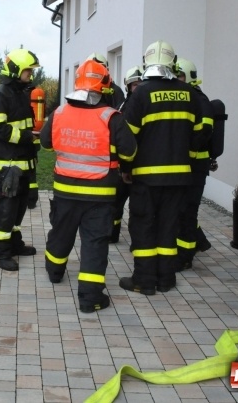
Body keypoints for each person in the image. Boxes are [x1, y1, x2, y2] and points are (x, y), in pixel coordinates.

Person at [40, 60, 137, 313]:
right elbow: (130, 151)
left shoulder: (59, 112)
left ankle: (54, 271)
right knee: (94, 243)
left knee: (61, 232)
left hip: (65, 190)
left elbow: (46, 144)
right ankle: (90, 298)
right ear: (105, 86)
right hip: (100, 195)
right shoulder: (111, 117)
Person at [119, 40, 208, 295]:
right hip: (179, 178)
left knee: (144, 226)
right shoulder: (190, 94)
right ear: (174, 62)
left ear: (146, 63)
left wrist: (126, 167)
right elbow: (203, 133)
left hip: (145, 178)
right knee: (169, 227)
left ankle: (144, 281)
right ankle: (166, 279)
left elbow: (127, 138)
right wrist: (188, 157)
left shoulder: (141, 95)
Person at [0, 48, 41, 271]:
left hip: (22, 162)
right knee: (5, 210)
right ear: (16, 70)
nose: (30, 74)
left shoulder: (19, 92)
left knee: (18, 209)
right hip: (6, 165)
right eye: (28, 70)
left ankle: (14, 244)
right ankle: (0, 254)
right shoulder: (0, 94)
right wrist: (27, 137)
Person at [174, 58, 215, 270]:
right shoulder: (188, 98)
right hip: (187, 166)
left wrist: (188, 153)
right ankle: (198, 243)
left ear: (189, 77)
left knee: (187, 212)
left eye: (179, 76)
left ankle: (185, 257)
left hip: (196, 166)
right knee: (182, 209)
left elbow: (205, 129)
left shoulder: (199, 99)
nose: (176, 80)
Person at [110, 64, 144, 244]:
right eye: (134, 85)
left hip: (140, 162)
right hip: (124, 162)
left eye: (140, 84)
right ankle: (112, 234)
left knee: (138, 207)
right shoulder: (123, 104)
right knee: (117, 202)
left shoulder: (142, 104)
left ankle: (138, 239)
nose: (137, 88)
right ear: (128, 86)